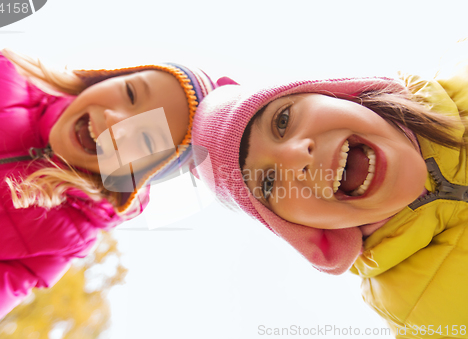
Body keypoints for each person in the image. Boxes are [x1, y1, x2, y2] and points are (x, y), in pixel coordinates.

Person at [191, 62, 468, 337]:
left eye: (283, 120)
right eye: (269, 182)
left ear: (336, 93)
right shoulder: (419, 317)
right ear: (299, 229)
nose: (298, 156)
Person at [0, 40, 218, 337]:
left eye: (146, 140)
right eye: (130, 93)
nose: (114, 120)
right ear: (108, 77)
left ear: (137, 176)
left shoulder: (61, 238)